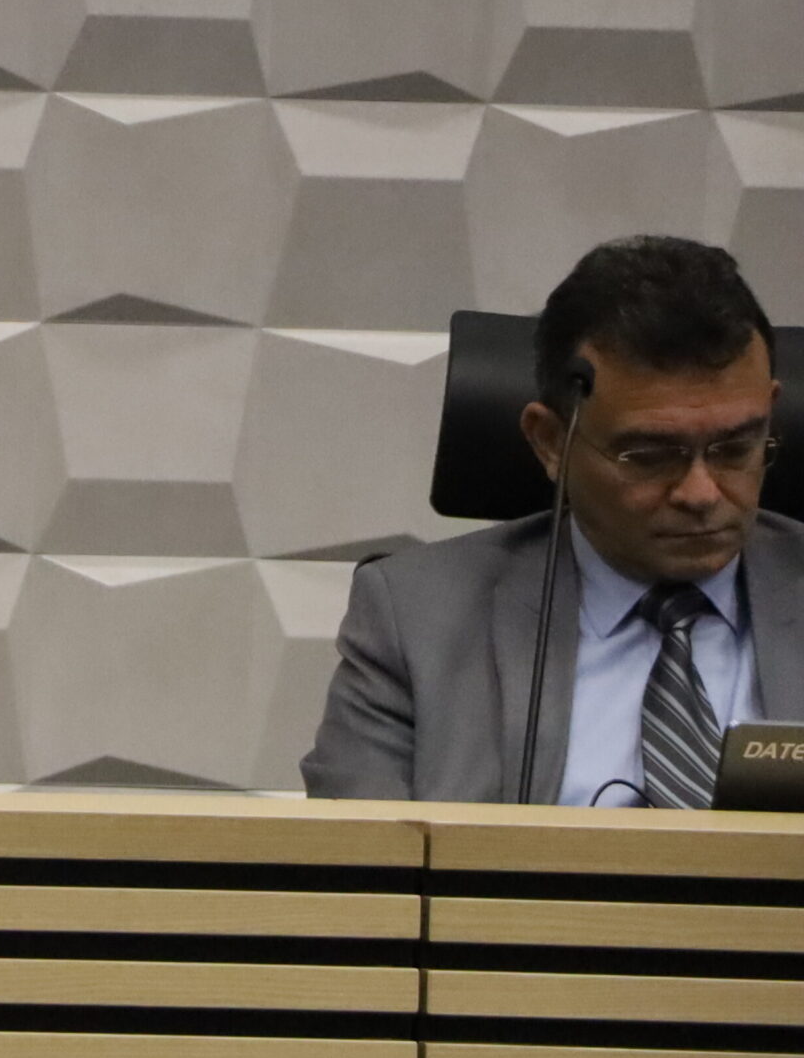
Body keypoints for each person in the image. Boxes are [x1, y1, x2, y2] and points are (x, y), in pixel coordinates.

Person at [303, 235, 804, 804]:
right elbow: (360, 870)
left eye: (735, 448)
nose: (700, 491)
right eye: (648, 456)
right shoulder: (413, 619)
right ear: (549, 442)